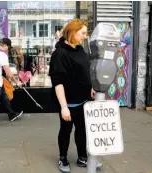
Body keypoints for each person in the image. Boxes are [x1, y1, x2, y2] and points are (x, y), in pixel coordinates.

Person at [49, 19, 102, 173]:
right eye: (83, 33)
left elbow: (85, 71)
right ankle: (63, 157)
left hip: (84, 99)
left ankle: (82, 157)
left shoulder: (80, 50)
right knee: (66, 130)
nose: (85, 36)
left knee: (83, 129)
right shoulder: (60, 53)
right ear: (72, 32)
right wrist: (64, 107)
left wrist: (91, 86)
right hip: (69, 101)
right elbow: (57, 82)